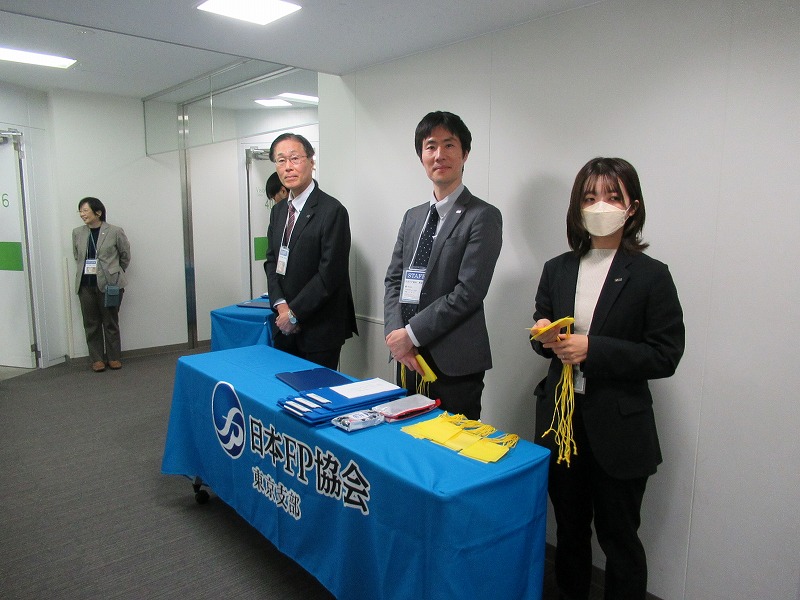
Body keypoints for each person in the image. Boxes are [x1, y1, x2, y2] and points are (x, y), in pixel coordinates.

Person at [529, 157, 685, 600]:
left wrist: (593, 349)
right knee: (569, 531)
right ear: (577, 207)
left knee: (620, 540)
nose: (601, 205)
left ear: (632, 207)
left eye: (613, 196)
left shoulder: (651, 275)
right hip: (562, 423)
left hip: (619, 428)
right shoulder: (557, 268)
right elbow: (540, 334)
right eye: (590, 196)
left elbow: (665, 354)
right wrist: (545, 335)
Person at [384, 111, 503, 420]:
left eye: (449, 145)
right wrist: (396, 335)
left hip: (454, 363)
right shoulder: (413, 216)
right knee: (407, 438)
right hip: (409, 357)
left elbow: (469, 292)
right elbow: (394, 280)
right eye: (431, 146)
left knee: (452, 445)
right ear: (421, 156)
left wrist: (411, 334)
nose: (440, 155)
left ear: (465, 154)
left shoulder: (482, 216)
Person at [264, 133, 357, 369]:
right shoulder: (278, 212)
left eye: (295, 158)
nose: (288, 167)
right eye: (281, 160)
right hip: (283, 325)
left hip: (319, 330)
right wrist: (281, 306)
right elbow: (272, 261)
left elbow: (329, 274)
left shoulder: (332, 211)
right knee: (282, 388)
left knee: (316, 391)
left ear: (312, 161)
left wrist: (294, 314)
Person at [72, 197, 131, 372]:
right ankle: (97, 359)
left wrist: (115, 272)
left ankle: (114, 357)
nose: (82, 214)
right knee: (91, 324)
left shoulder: (114, 231)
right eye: (80, 211)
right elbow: (77, 256)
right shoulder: (77, 232)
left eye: (85, 210)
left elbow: (125, 255)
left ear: (98, 212)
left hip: (110, 284)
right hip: (85, 285)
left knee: (110, 322)